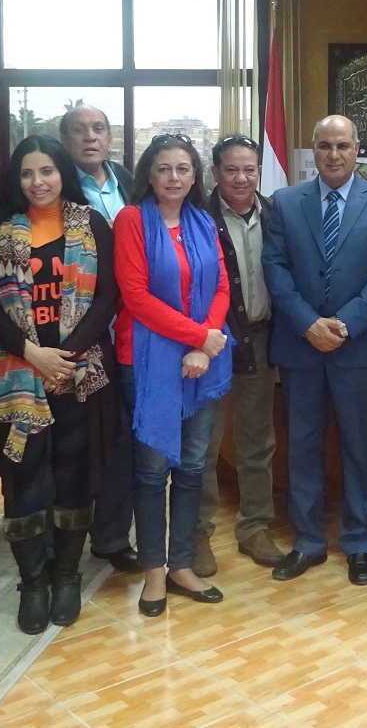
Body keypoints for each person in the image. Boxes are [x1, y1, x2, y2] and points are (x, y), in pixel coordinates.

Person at [0, 136, 120, 633]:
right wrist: (33, 353)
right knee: (24, 478)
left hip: (79, 376)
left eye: (47, 171)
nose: (38, 182)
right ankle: (33, 581)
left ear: (63, 174)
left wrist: (66, 358)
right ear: (16, 180)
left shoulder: (92, 225)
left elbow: (108, 297)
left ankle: (67, 575)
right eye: (27, 173)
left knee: (75, 474)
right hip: (18, 374)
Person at [262, 115, 367, 585]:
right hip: (300, 347)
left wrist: (344, 325)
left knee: (360, 447)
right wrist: (308, 324)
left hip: (357, 348)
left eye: (342, 145)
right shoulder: (285, 201)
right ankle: (308, 541)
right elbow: (275, 269)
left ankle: (360, 542)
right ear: (313, 151)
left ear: (357, 149)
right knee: (302, 446)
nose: (334, 154)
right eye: (324, 146)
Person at [113, 134, 233, 615]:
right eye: (164, 168)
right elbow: (136, 296)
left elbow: (222, 287)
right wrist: (199, 337)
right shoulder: (131, 220)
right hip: (148, 362)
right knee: (151, 471)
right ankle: (153, 571)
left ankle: (181, 564)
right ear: (149, 173)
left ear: (195, 175)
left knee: (192, 467)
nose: (173, 177)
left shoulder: (203, 220)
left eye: (183, 169)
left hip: (202, 361)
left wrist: (204, 344)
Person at [191, 134, 287, 577]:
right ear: (215, 172)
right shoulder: (196, 217)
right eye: (231, 169)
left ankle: (254, 527)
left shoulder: (275, 214)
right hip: (208, 344)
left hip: (260, 341)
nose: (241, 178)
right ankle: (196, 534)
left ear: (259, 172)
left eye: (249, 169)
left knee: (257, 441)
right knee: (203, 444)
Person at [59, 104, 141, 575]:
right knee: (74, 442)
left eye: (99, 129)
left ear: (110, 137)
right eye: (79, 130)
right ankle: (61, 540)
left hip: (126, 336)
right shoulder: (54, 185)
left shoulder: (129, 183)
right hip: (72, 337)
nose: (90, 137)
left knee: (121, 441)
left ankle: (111, 537)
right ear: (65, 139)